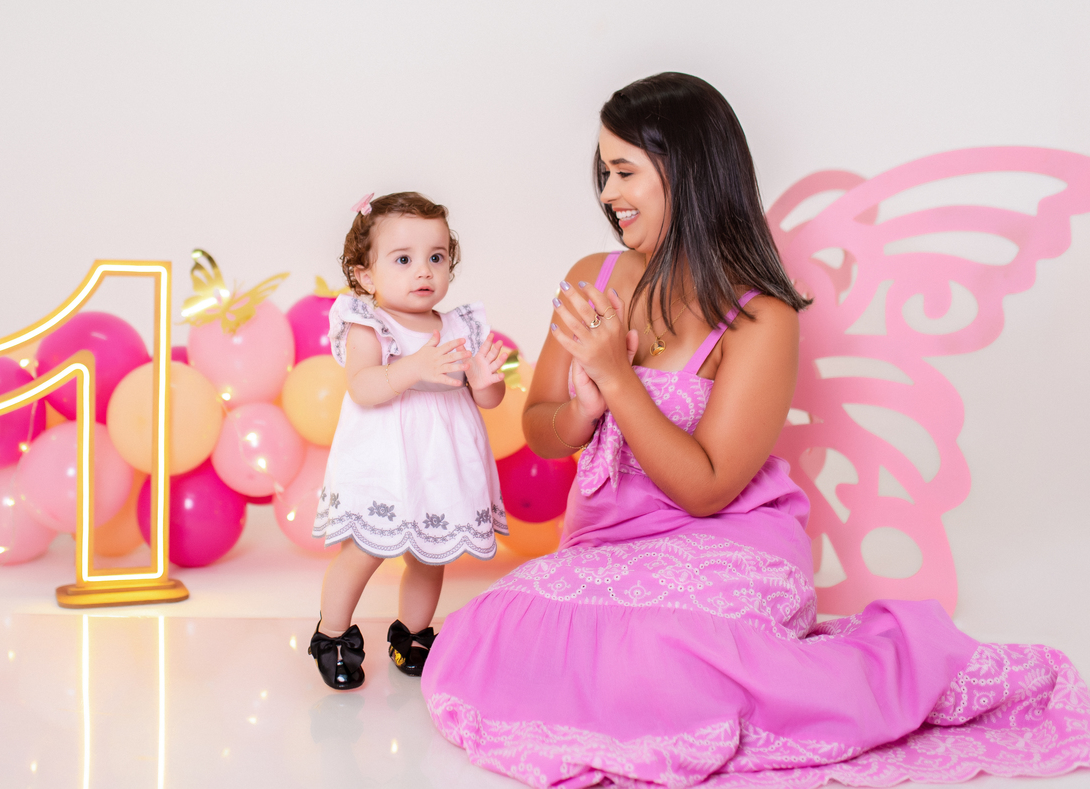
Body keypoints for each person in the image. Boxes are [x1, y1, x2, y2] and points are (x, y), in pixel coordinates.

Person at [421, 74, 1090, 787]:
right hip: (610, 546)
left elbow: (707, 488)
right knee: (491, 629)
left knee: (665, 656)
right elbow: (540, 427)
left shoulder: (762, 316)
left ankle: (889, 671)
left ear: (685, 171)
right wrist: (582, 412)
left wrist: (618, 378)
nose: (608, 192)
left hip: (731, 542)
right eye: (604, 171)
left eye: (625, 171)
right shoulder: (595, 277)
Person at [308, 191, 511, 691]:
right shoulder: (369, 323)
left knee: (430, 554)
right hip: (384, 459)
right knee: (363, 550)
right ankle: (332, 633)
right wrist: (413, 367)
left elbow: (487, 400)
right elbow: (363, 386)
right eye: (403, 260)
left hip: (440, 460)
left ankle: (412, 633)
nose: (424, 271)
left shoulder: (459, 326)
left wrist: (486, 380)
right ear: (366, 276)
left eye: (436, 258)